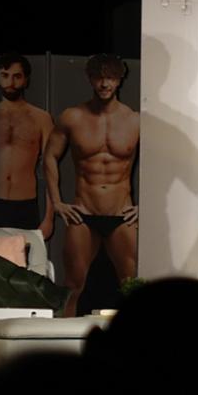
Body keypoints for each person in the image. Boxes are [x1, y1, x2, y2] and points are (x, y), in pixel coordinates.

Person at [43, 53, 140, 316]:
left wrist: (146, 205)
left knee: (131, 285)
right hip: (83, 213)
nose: (104, 84)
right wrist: (57, 202)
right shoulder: (72, 117)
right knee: (72, 286)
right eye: (99, 77)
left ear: (120, 80)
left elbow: (160, 166)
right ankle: (62, 338)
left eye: (111, 78)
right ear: (90, 79)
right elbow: (49, 156)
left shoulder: (135, 120)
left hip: (121, 214)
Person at [0, 53, 54, 238]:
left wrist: (49, 218)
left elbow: (50, 168)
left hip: (24, 205)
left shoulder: (41, 118)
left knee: (23, 256)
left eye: (17, 76)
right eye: (5, 75)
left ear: (26, 80)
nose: (10, 82)